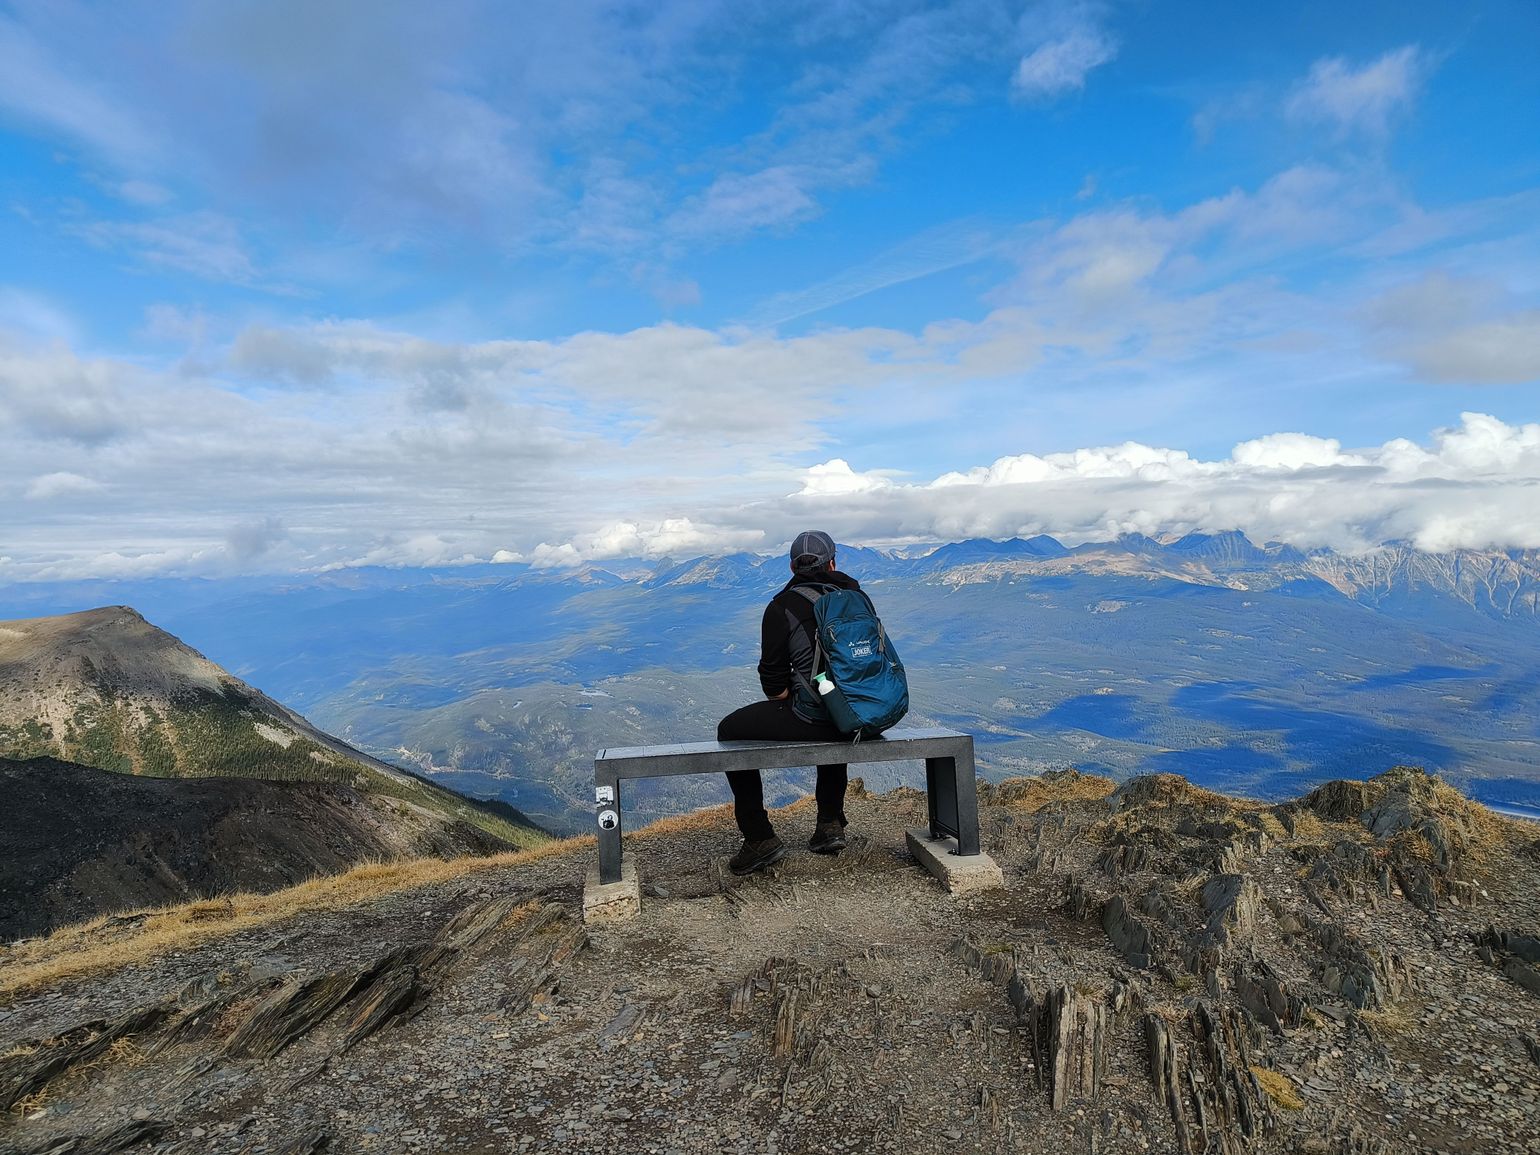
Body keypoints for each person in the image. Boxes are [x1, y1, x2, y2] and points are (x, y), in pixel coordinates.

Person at [716, 529, 864, 875]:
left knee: (730, 730)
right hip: (865, 711)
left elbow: (775, 688)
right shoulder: (855, 596)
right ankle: (829, 825)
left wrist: (801, 692)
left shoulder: (781, 607)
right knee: (834, 713)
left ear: (792, 567)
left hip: (823, 717)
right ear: (833, 562)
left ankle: (759, 837)